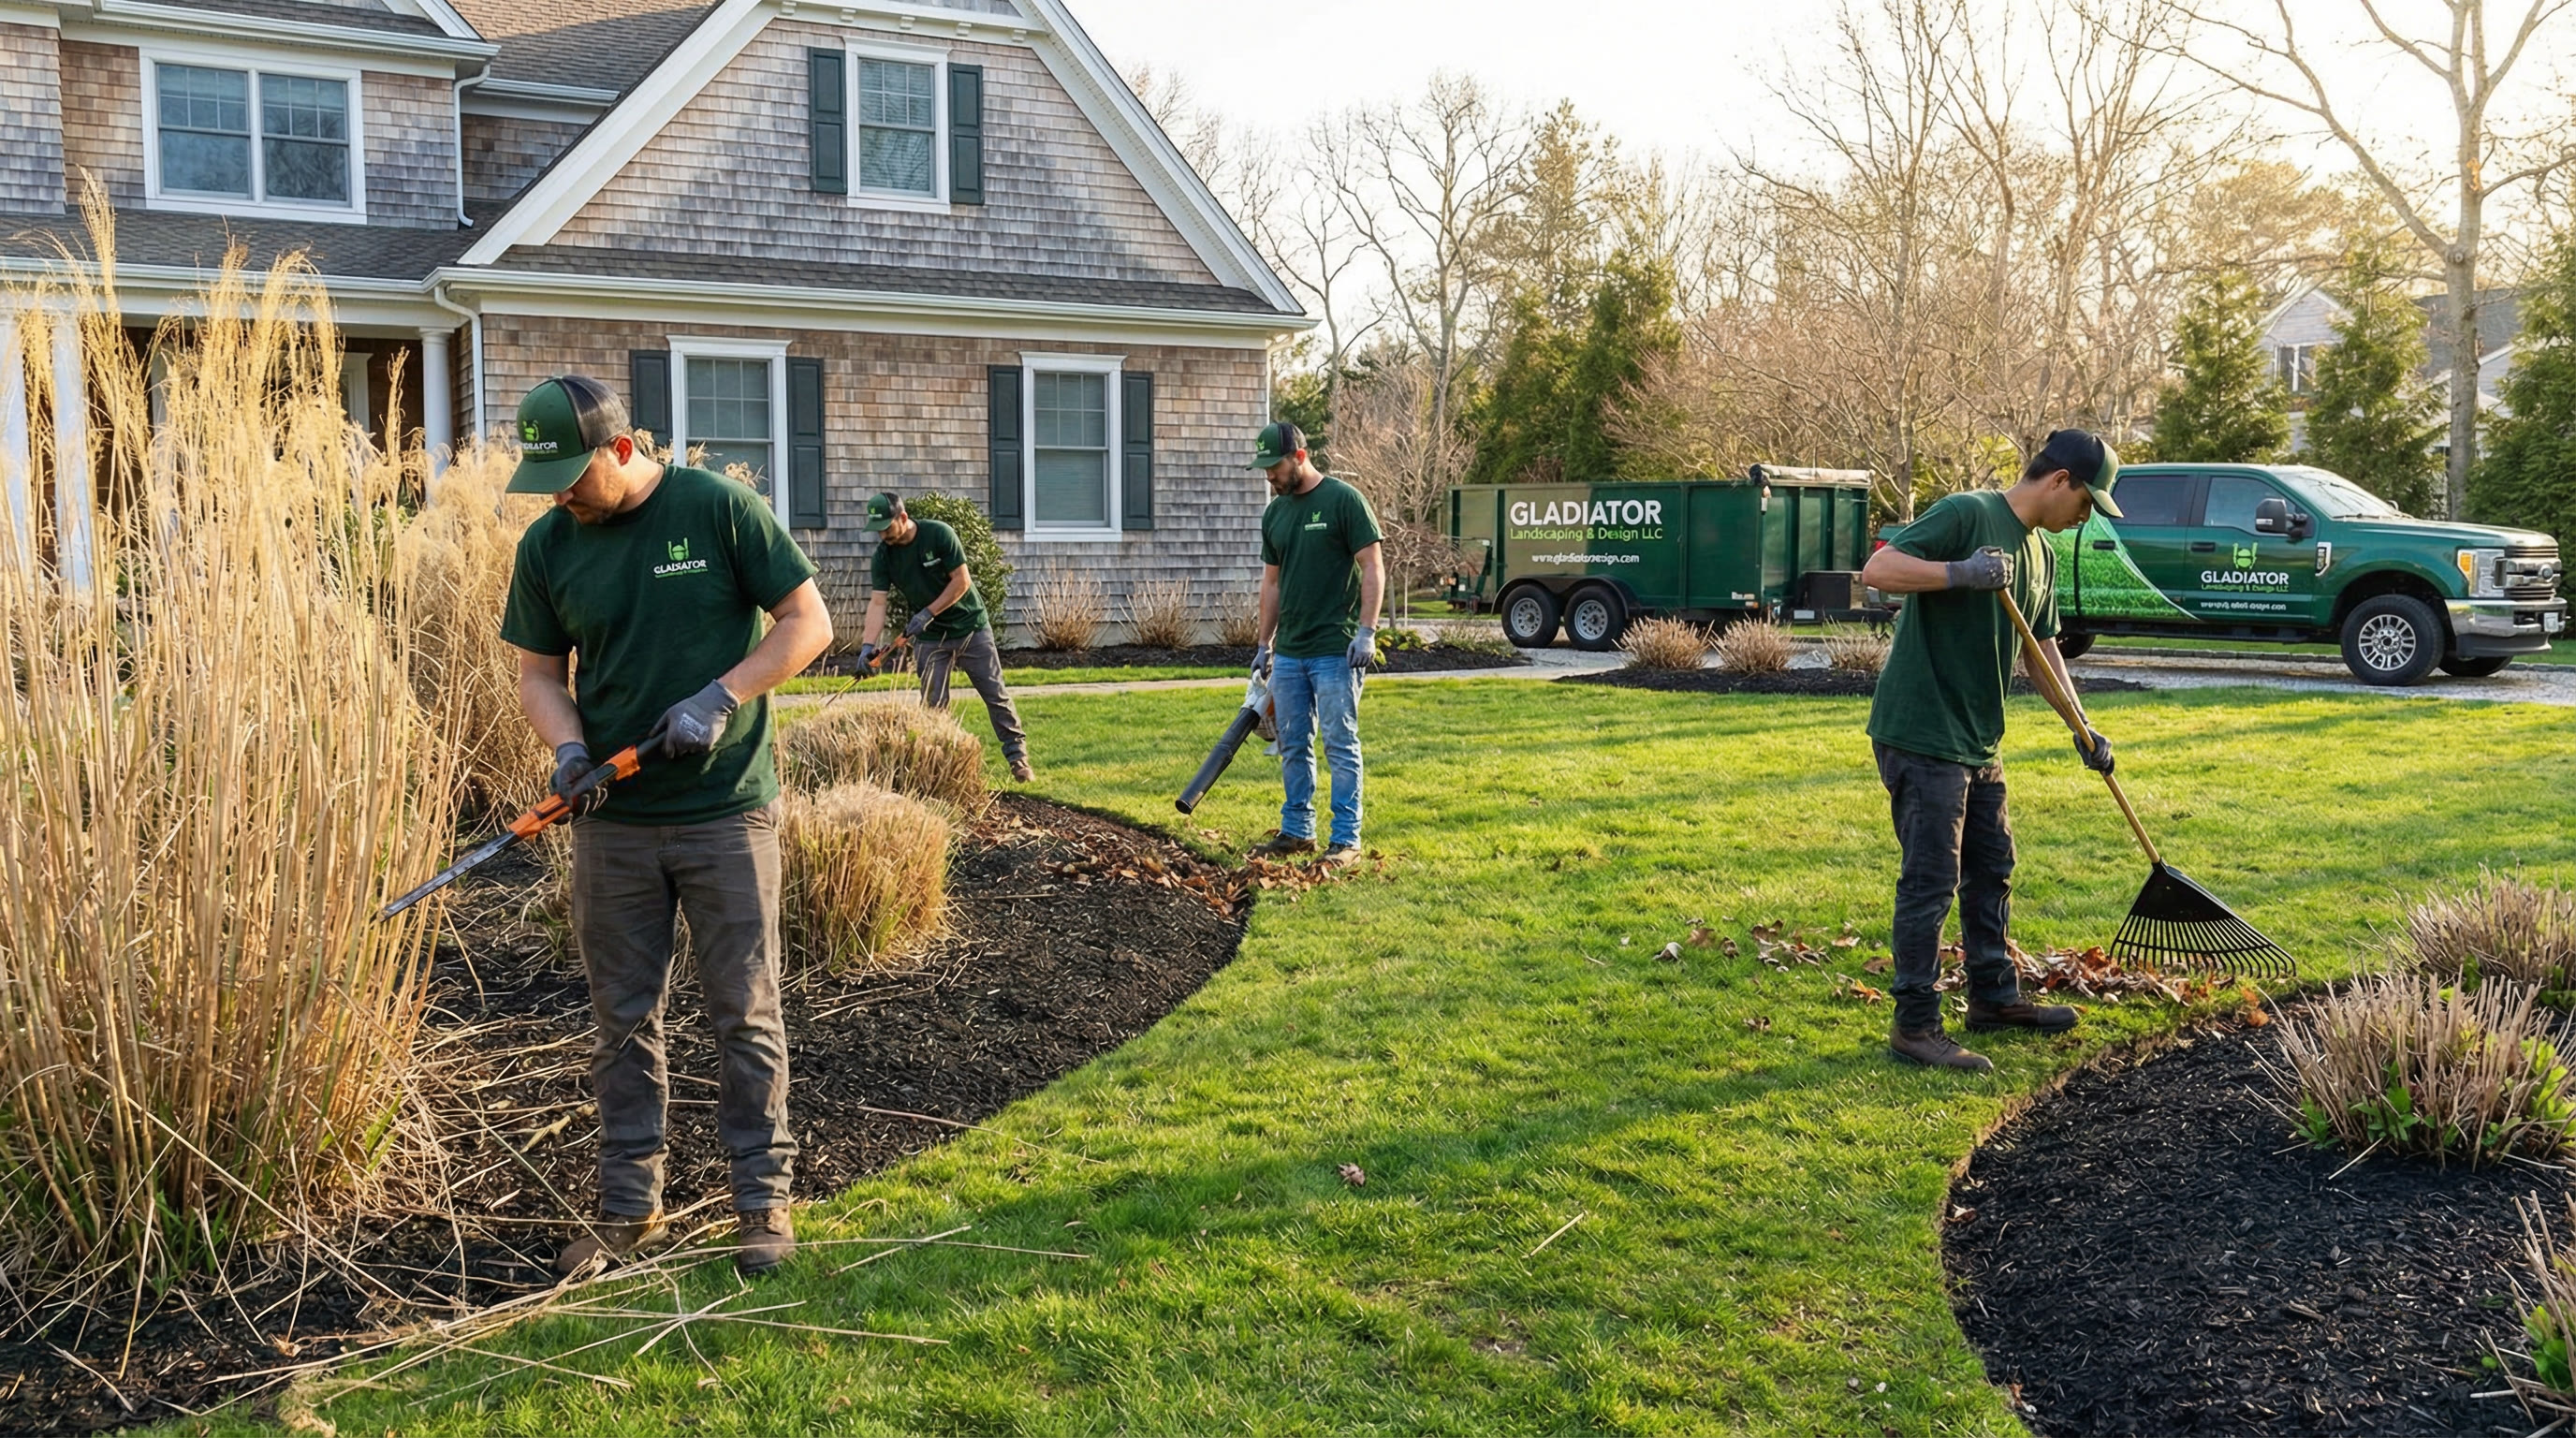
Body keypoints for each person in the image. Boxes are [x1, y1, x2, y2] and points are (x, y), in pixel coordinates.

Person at [499, 374, 834, 1274]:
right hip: (612, 819)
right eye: (547, 479)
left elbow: (808, 623)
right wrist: (569, 752)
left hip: (725, 812)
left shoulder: (716, 507)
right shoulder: (548, 545)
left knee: (744, 1012)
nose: (561, 494)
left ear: (620, 449)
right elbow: (539, 674)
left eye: (573, 474)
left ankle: (763, 1203)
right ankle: (626, 1209)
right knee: (621, 1020)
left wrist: (721, 697)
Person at [1856, 429, 2124, 1074]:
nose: (2086, 517)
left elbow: (2041, 650)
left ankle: (1994, 999)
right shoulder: (1967, 513)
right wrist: (1961, 573)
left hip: (1978, 738)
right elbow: (1879, 571)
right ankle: (1915, 1025)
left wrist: (2082, 727)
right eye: (2088, 503)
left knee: (1993, 868)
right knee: (1931, 883)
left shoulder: (2042, 555)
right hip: (1922, 729)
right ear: (2059, 480)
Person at [1247, 420, 1383, 867]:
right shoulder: (1276, 513)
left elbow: (1372, 567)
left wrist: (1366, 631)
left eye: (1274, 466)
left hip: (1336, 649)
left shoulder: (1344, 501)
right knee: (1292, 742)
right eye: (1264, 468)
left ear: (1300, 457)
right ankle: (1297, 832)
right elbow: (1272, 584)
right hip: (1289, 653)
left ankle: (1345, 840)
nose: (1269, 476)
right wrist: (1264, 644)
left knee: (1340, 744)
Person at [852, 492, 1032, 782]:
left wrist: (928, 612)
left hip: (970, 626)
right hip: (930, 638)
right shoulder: (883, 556)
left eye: (886, 527)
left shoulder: (938, 534)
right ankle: (943, 769)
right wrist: (868, 647)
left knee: (995, 696)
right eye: (877, 529)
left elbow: (962, 581)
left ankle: (1018, 758)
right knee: (934, 705)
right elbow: (877, 603)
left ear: (903, 518)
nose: (882, 534)